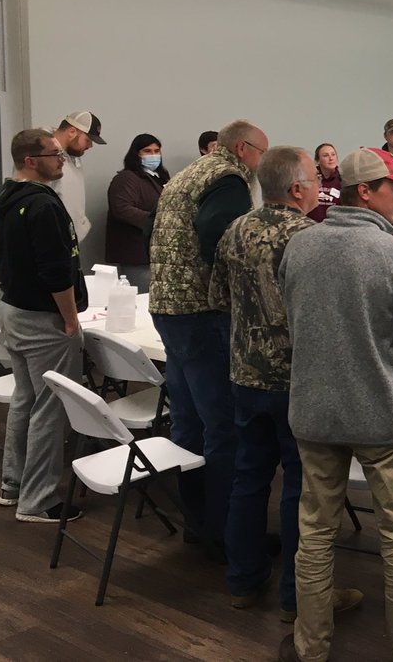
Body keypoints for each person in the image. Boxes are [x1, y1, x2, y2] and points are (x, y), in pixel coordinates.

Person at [278, 147, 393, 662]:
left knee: (314, 531)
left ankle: (308, 648)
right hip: (378, 415)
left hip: (313, 412)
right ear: (365, 191)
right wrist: (389, 375)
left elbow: (293, 321)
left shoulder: (300, 246)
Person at [209, 146, 361, 623]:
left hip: (246, 377)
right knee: (302, 489)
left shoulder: (236, 230)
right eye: (315, 178)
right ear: (297, 189)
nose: (321, 186)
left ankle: (244, 581)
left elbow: (218, 298)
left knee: (249, 479)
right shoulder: (311, 237)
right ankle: (301, 597)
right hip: (299, 383)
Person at [149, 119, 269, 558]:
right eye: (260, 154)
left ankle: (198, 522)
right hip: (201, 311)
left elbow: (152, 232)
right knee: (223, 426)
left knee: (188, 422)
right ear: (243, 149)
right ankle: (227, 534)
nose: (261, 164)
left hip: (167, 307)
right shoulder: (230, 177)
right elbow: (219, 232)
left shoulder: (186, 175)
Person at [0, 128, 88, 522]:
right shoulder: (43, 206)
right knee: (51, 407)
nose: (61, 160)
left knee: (26, 399)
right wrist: (69, 318)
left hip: (12, 310)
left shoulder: (7, 198)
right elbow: (55, 271)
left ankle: (12, 485)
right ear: (31, 160)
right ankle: (39, 500)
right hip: (43, 319)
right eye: (55, 154)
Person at [105, 133, 169, 290]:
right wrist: (159, 221)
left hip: (155, 251)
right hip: (136, 252)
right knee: (142, 296)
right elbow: (122, 209)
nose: (153, 155)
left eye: (156, 151)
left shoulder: (160, 178)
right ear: (136, 154)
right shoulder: (126, 178)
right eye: (147, 151)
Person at [52, 110, 106, 243]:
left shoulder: (72, 156)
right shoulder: (46, 157)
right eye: (88, 140)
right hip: (52, 240)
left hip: (68, 241)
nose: (90, 146)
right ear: (71, 132)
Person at [307, 143, 341, 224]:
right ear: (318, 160)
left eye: (333, 154)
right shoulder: (310, 177)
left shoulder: (343, 178)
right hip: (311, 225)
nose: (331, 158)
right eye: (326, 155)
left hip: (335, 225)